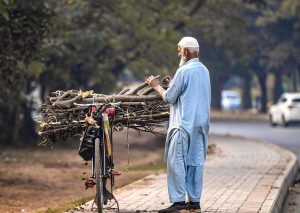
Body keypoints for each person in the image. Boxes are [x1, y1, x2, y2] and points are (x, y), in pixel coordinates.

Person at [145, 36, 211, 213]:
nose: (179, 52)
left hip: (183, 125)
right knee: (195, 162)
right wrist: (172, 84)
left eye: (180, 49)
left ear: (187, 52)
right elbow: (189, 92)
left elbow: (169, 97)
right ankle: (194, 203)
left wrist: (156, 86)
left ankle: (179, 202)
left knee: (177, 162)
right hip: (200, 126)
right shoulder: (204, 70)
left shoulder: (184, 71)